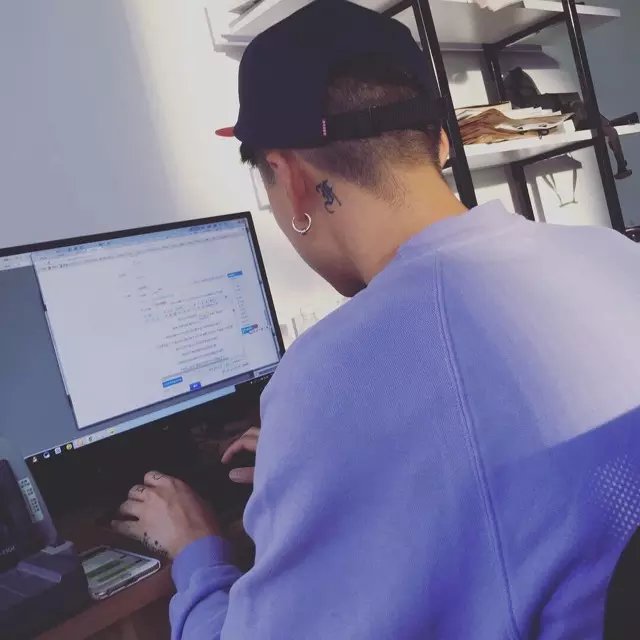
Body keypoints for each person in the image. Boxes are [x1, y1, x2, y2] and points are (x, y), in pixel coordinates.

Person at [112, 1, 640, 638]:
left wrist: (198, 556)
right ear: (439, 143)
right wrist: (316, 459)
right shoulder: (614, 255)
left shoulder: (330, 377)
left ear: (289, 177)